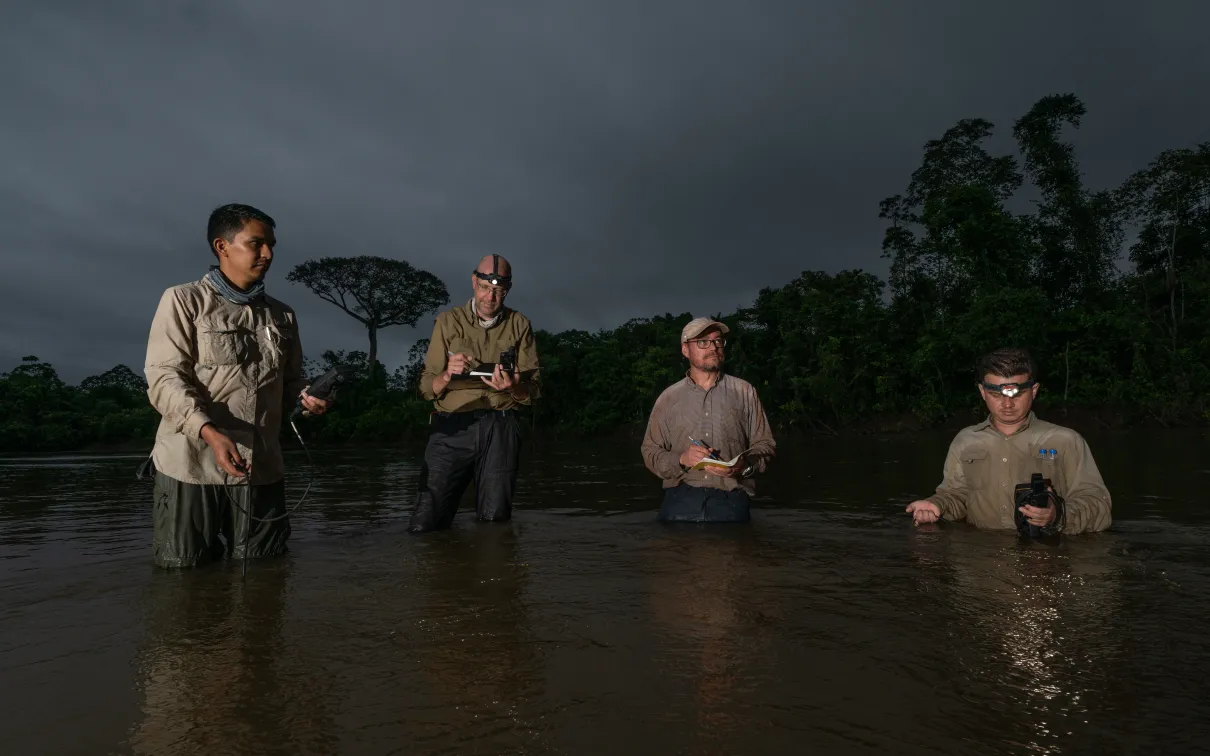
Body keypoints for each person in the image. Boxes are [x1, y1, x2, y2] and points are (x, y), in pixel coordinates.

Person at [142, 203, 331, 568]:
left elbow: (291, 380)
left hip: (262, 468)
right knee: (184, 578)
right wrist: (210, 433)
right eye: (256, 243)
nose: (268, 254)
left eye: (272, 245)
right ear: (222, 246)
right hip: (193, 466)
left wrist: (307, 396)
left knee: (266, 574)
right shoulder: (183, 300)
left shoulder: (283, 314)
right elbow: (164, 378)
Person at [905, 347, 1111, 534]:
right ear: (983, 392)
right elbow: (957, 495)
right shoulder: (965, 441)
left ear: (1034, 391)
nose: (1007, 403)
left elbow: (1097, 504)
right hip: (981, 560)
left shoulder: (1066, 440)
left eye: (1017, 393)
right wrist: (936, 505)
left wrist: (1057, 514)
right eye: (996, 393)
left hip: (1045, 557)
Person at [407, 254, 540, 533]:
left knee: (495, 526)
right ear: (473, 282)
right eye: (484, 288)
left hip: (500, 426)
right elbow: (425, 387)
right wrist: (445, 375)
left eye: (499, 291)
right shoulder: (447, 321)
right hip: (451, 424)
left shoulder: (520, 324)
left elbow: (534, 390)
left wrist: (514, 386)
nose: (490, 297)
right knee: (425, 524)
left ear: (508, 289)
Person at [640, 317, 776, 522]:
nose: (713, 347)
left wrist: (744, 465)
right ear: (685, 350)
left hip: (731, 501)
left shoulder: (745, 392)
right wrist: (681, 459)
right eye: (703, 342)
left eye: (718, 341)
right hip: (680, 500)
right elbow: (650, 451)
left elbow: (766, 445)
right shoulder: (668, 398)